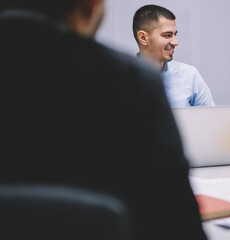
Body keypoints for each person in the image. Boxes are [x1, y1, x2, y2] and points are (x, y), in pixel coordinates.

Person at [0, 1, 207, 239]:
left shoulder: (166, 76)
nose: (175, 42)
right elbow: (176, 219)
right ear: (91, 7)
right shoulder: (131, 80)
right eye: (168, 34)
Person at [132, 4, 215, 108]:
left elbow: (211, 119)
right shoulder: (120, 78)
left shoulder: (189, 75)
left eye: (174, 34)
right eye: (167, 35)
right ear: (143, 37)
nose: (175, 42)